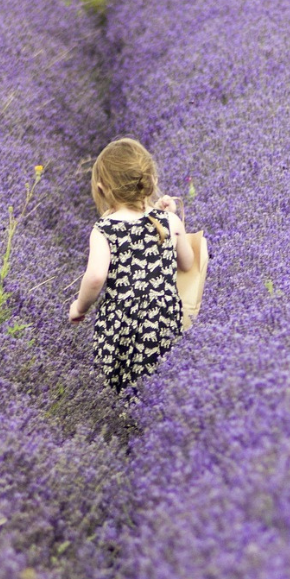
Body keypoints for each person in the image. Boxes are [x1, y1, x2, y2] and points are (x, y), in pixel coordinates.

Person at [69, 137, 194, 392]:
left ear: (102, 189)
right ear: (152, 181)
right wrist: (173, 218)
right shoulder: (169, 221)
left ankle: (124, 421)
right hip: (164, 319)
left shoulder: (104, 228)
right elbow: (188, 262)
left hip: (121, 323)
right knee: (161, 384)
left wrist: (79, 307)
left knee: (118, 390)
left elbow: (95, 278)